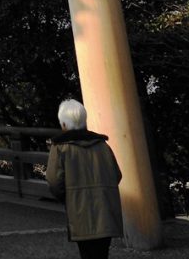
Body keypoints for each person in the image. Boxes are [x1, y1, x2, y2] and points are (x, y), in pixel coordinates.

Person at [46, 99, 123, 259]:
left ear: (64, 124)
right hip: (105, 209)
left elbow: (54, 181)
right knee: (102, 253)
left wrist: (67, 197)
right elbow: (117, 174)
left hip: (79, 211)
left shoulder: (60, 147)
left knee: (86, 253)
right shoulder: (102, 145)